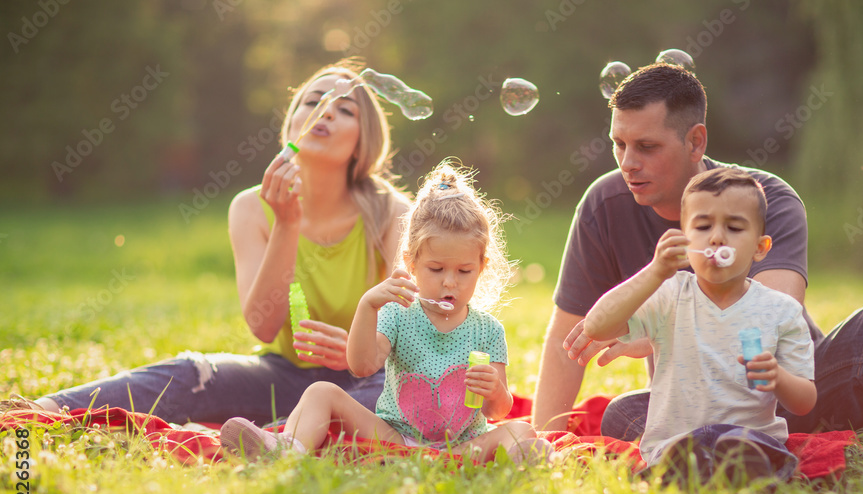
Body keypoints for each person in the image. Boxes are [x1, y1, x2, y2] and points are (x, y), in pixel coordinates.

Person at [534, 62, 863, 465]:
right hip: (693, 405)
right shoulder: (604, 205)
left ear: (695, 141)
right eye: (619, 144)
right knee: (622, 413)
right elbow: (567, 337)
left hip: (795, 390)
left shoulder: (763, 199)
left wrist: (659, 321)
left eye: (647, 147)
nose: (627, 162)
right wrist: (541, 441)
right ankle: (714, 449)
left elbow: (769, 318)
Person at [25, 61, 411, 425]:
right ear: (292, 124)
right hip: (282, 376)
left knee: (398, 393)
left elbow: (410, 331)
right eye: (313, 101)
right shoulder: (251, 208)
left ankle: (288, 433)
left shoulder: (393, 213)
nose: (325, 111)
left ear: (363, 141)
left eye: (345, 110)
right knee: (194, 373)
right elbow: (263, 327)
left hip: (369, 379)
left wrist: (359, 352)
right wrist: (287, 223)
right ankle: (38, 411)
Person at [219, 161, 548, 464]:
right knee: (321, 392)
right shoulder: (398, 314)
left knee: (520, 430)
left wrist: (495, 391)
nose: (450, 282)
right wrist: (367, 306)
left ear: (482, 266)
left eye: (464, 271)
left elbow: (498, 411)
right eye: (436, 269)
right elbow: (362, 366)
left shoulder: (488, 330)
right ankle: (286, 450)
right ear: (411, 263)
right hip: (394, 440)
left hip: (462, 446)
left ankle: (522, 460)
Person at [584, 167, 815, 480]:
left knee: (746, 444)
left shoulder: (781, 311)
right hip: (676, 441)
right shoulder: (669, 295)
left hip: (753, 438)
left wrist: (778, 377)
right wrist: (654, 272)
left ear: (760, 247)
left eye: (734, 227)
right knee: (678, 444)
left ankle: (734, 463)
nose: (717, 237)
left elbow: (804, 402)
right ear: (686, 239)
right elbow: (595, 327)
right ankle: (690, 465)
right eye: (703, 226)